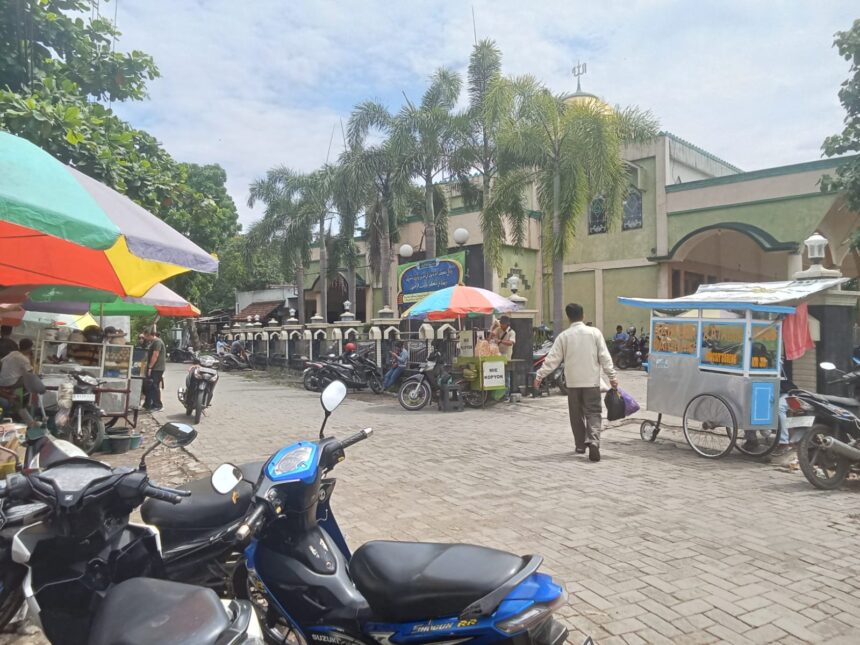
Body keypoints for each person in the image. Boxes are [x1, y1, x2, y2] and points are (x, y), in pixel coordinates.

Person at [534, 303, 618, 462]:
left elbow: (552, 360)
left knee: (576, 415)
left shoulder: (564, 336)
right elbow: (604, 357)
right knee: (593, 413)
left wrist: (539, 376)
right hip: (592, 382)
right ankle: (594, 440)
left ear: (568, 317)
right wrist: (612, 377)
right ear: (583, 315)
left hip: (572, 384)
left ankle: (580, 445)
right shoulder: (594, 333)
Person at [0, 338, 45, 425]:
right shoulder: (24, 359)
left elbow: (1, 362)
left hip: (2, 382)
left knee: (18, 402)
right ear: (29, 348)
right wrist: (31, 359)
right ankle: (29, 416)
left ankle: (29, 419)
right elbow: (31, 374)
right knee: (28, 380)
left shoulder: (12, 353)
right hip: (13, 384)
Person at [143, 330, 165, 411]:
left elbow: (155, 355)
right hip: (155, 368)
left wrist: (150, 367)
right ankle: (149, 404)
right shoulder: (153, 342)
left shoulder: (157, 342)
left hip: (157, 368)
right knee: (150, 386)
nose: (145, 338)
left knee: (154, 386)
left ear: (149, 335)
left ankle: (158, 405)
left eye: (145, 336)